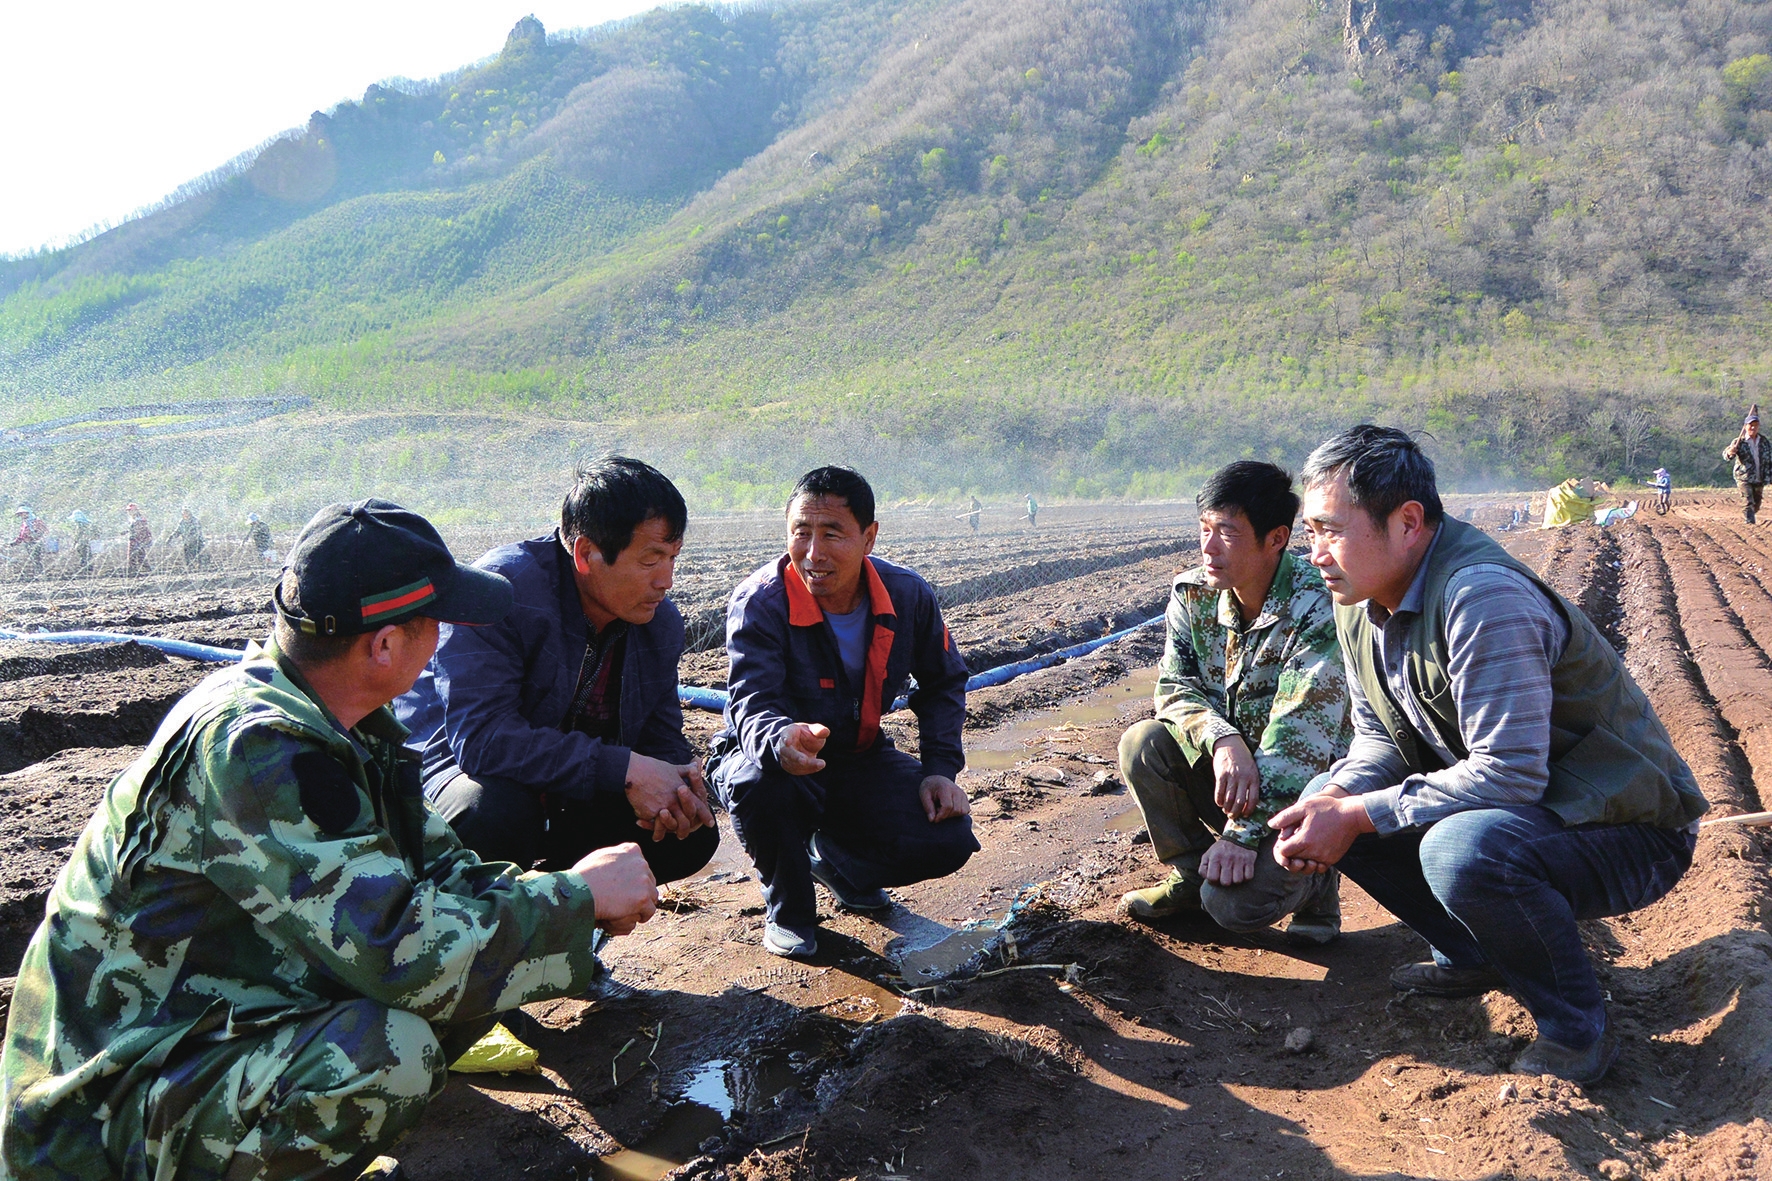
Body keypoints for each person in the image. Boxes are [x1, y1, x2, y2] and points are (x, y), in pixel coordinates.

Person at [0, 499, 660, 1178]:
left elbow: (438, 874)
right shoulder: (257, 748)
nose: (441, 639)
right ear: (382, 645)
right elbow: (400, 951)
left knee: (461, 981)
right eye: (433, 623)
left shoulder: (335, 722)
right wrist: (576, 900)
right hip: (99, 1115)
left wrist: (566, 897)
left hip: (199, 1032)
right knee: (387, 1051)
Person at [1271, 425, 1708, 1084]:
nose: (1317, 554)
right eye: (1310, 533)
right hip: (1546, 811)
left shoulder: (1480, 595)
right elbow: (1380, 739)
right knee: (1338, 805)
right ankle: (1472, 951)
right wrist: (1334, 799)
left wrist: (1359, 812)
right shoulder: (1360, 600)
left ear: (1408, 522)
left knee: (1458, 848)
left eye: (1331, 530)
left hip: (1631, 827)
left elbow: (1511, 772)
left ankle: (1576, 1026)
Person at [396, 458, 717, 882]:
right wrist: (622, 768)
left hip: (566, 784)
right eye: (650, 559)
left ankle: (567, 923)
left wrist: (679, 792)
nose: (667, 580)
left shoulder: (658, 623)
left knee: (686, 837)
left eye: (673, 557)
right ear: (586, 553)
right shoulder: (501, 596)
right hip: (455, 769)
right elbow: (481, 742)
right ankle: (481, 929)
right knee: (494, 812)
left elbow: (659, 736)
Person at [709, 466, 976, 958]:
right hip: (766, 756)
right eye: (801, 533)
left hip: (856, 755)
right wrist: (779, 738)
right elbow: (751, 698)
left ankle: (836, 862)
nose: (814, 553)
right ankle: (789, 908)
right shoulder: (761, 602)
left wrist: (940, 770)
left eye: (832, 534)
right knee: (761, 784)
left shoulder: (907, 595)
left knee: (949, 838)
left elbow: (944, 682)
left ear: (869, 536)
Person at [1118, 462, 1350, 942]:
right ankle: (1190, 875)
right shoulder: (1192, 595)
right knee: (1144, 743)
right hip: (1236, 771)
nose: (1208, 548)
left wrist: (1240, 837)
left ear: (1276, 539)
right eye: (1204, 529)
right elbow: (1175, 687)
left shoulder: (1317, 604)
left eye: (1226, 532)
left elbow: (1300, 739)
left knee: (1233, 907)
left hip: (1305, 787)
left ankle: (1317, 888)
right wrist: (1222, 740)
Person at [1724, 405, 1770, 523]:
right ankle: (1750, 523)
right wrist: (1730, 452)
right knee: (1748, 501)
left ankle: (1749, 515)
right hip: (1744, 477)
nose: (1753, 427)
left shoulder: (1764, 441)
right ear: (1745, 427)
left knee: (1756, 503)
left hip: (1760, 477)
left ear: (1758, 426)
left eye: (1755, 425)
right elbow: (1727, 455)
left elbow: (1769, 459)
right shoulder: (1739, 442)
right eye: (1750, 425)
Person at [8, 507, 44, 577]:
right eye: (20, 514)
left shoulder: (37, 521)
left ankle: (40, 573)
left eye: (22, 513)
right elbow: (21, 535)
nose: (21, 515)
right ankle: (38, 573)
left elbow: (43, 531)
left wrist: (35, 535)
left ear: (27, 513)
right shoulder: (25, 523)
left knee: (36, 558)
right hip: (28, 543)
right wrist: (15, 543)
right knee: (33, 558)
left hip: (36, 542)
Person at [123, 503, 152, 576]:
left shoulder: (140, 519)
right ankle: (135, 568)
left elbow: (141, 529)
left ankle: (141, 568)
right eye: (128, 510)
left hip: (138, 539)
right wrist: (126, 532)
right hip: (133, 539)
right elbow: (132, 528)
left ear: (135, 510)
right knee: (134, 554)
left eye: (131, 510)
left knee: (138, 554)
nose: (129, 512)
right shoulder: (132, 519)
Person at [67, 511, 96, 576]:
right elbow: (94, 534)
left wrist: (73, 545)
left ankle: (85, 569)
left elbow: (77, 537)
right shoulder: (87, 525)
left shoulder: (79, 526)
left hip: (81, 544)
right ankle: (88, 568)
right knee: (87, 556)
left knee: (83, 556)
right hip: (86, 543)